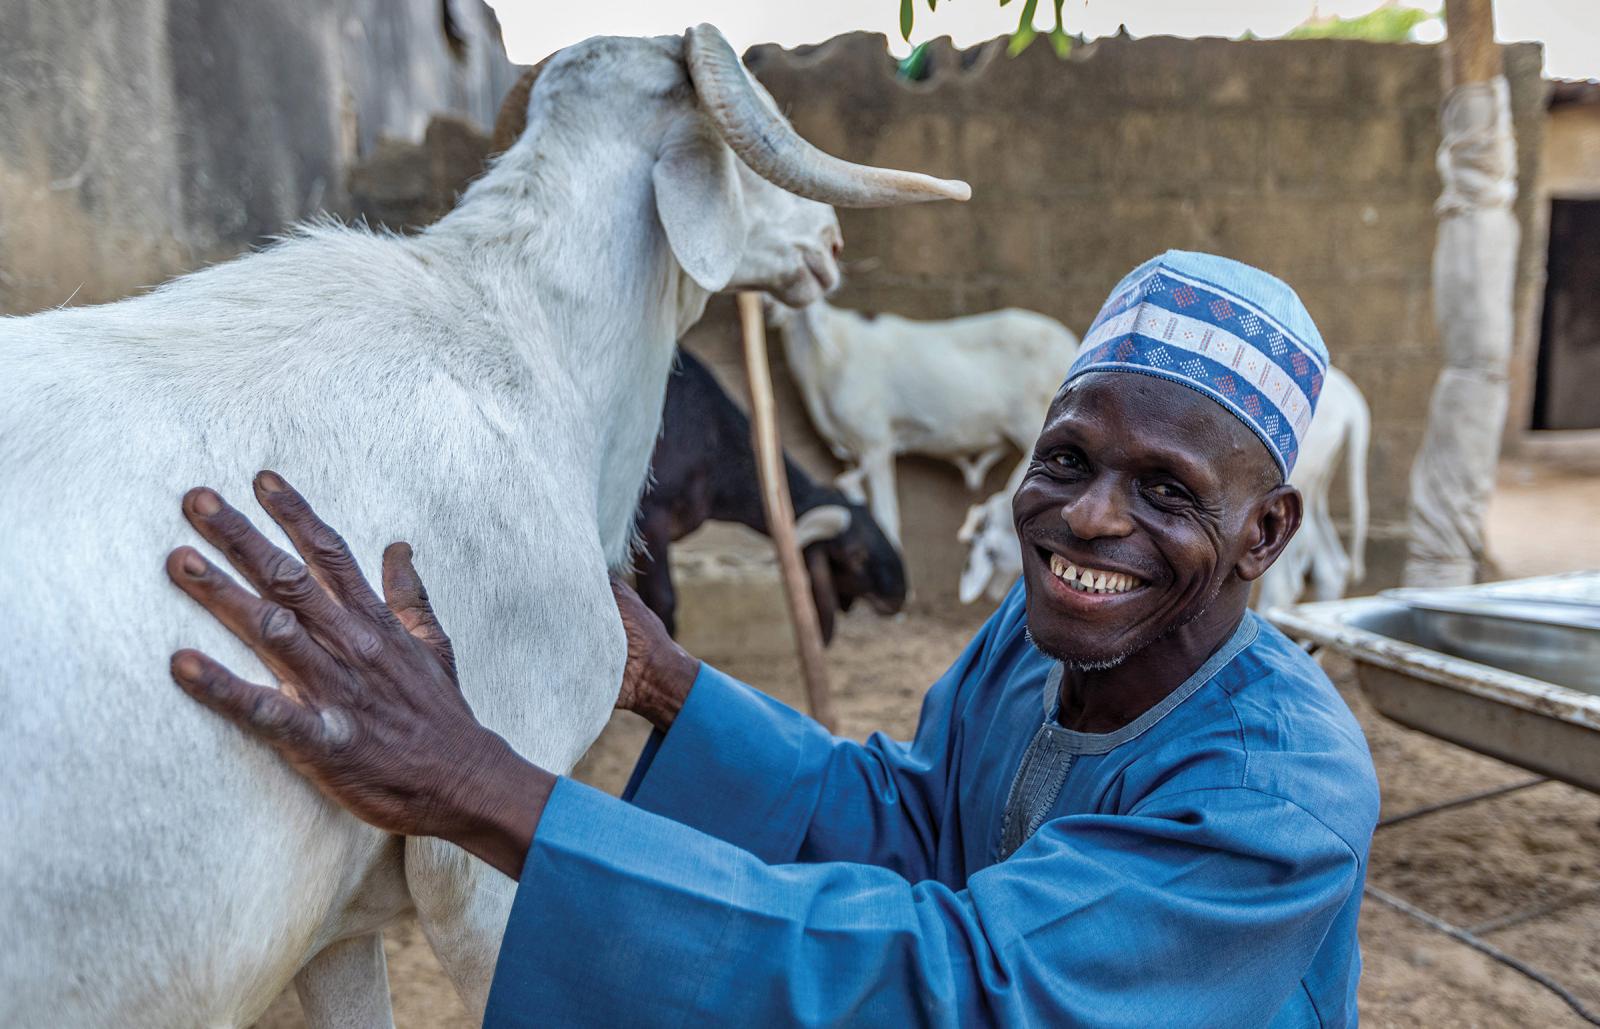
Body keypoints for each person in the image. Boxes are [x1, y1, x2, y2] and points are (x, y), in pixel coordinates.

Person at [164, 251, 1379, 1026]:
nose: (1089, 518)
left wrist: (476, 787)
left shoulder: (1278, 794)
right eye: (1065, 460)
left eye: (1165, 492)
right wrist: (667, 681)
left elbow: (964, 981)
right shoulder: (1037, 643)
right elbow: (920, 823)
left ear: (1263, 533)